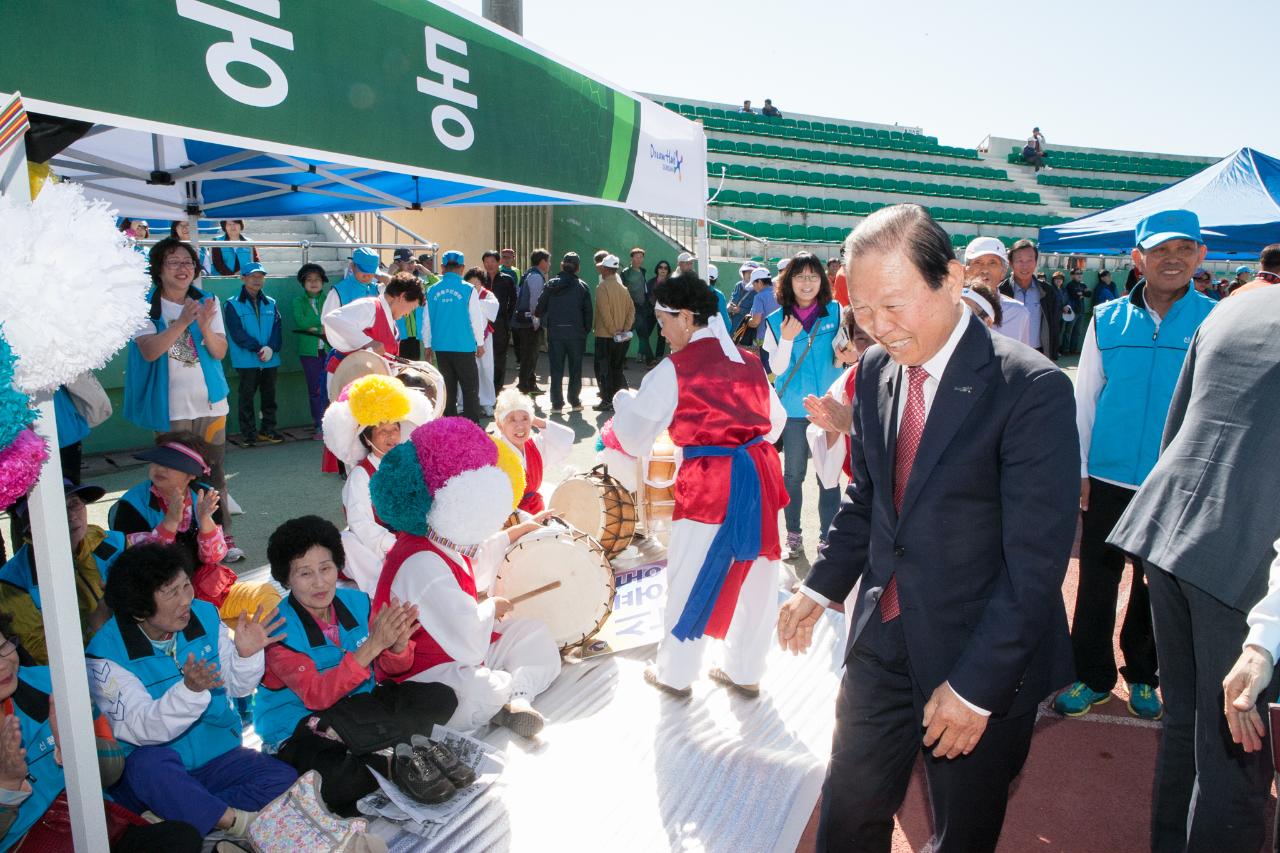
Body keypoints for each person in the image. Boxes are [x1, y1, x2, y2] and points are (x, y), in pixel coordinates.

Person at [777, 204, 1077, 853]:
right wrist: (820, 585)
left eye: (893, 304)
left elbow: (1034, 564)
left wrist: (974, 689)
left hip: (980, 654)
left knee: (960, 832)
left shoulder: (1030, 388)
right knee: (849, 809)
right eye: (861, 309)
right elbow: (871, 497)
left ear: (950, 277)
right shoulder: (879, 373)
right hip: (883, 641)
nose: (878, 327)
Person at [1107, 285, 1280, 853]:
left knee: (1186, 726)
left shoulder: (1235, 307)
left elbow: (1175, 427)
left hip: (1172, 528)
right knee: (1235, 746)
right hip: (1245, 560)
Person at [1058, 209, 1216, 723]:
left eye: (1183, 250)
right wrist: (1079, 468)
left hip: (1175, 481)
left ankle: (1145, 675)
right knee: (1098, 581)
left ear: (1200, 256)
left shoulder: (1214, 319)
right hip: (1105, 478)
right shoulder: (1106, 319)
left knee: (1156, 585)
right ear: (1138, 258)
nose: (1172, 260)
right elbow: (1085, 400)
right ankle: (1092, 675)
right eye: (1160, 251)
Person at [613, 273, 787, 698]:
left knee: (691, 575)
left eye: (663, 319)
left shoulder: (675, 369)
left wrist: (622, 403)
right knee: (758, 578)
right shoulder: (749, 362)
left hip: (711, 485)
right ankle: (746, 670)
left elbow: (634, 438)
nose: (660, 328)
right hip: (760, 479)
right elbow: (777, 424)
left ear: (687, 318)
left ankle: (676, 673)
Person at [86, 543, 296, 840]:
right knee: (149, 764)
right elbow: (143, 728)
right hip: (156, 774)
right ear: (138, 609)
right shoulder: (104, 656)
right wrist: (189, 691)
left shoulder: (205, 615)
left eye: (186, 585)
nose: (186, 599)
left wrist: (246, 655)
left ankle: (181, 814)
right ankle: (229, 821)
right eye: (172, 593)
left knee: (284, 779)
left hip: (217, 757)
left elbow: (238, 685)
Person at [256, 516, 462, 813]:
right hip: (302, 725)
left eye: (326, 568)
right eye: (304, 573)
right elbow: (317, 696)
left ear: (337, 565)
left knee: (440, 697)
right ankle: (393, 757)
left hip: (357, 707)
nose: (319, 582)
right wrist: (372, 645)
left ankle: (384, 752)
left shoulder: (357, 602)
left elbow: (390, 670)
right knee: (335, 783)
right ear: (286, 579)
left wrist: (398, 646)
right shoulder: (277, 630)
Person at [369, 417, 562, 736]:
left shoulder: (436, 534)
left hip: (460, 649)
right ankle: (502, 699)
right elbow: (470, 644)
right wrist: (491, 608)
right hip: (425, 675)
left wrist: (512, 534)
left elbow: (475, 563)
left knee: (534, 633)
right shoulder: (420, 562)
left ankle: (516, 699)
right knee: (479, 691)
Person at [0, 614, 205, 853]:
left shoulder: (52, 683)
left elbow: (111, 772)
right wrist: (7, 784)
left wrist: (74, 748)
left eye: (4, 646)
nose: (3, 663)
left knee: (182, 838)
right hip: (27, 843)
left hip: (94, 825)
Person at [123, 237, 240, 562]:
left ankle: (219, 536)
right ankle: (174, 535)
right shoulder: (143, 306)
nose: (182, 268)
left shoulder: (208, 301)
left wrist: (203, 324)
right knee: (172, 477)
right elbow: (150, 351)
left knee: (213, 474)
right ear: (159, 270)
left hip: (211, 404)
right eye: (173, 262)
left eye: (188, 261)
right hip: (170, 409)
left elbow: (219, 351)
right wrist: (183, 322)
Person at [760, 253, 843, 559]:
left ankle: (828, 539)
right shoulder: (775, 320)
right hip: (795, 411)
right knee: (794, 476)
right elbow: (778, 369)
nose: (806, 283)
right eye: (799, 277)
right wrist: (786, 338)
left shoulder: (835, 311)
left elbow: (842, 353)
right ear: (788, 281)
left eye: (813, 276)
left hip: (829, 410)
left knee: (829, 476)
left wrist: (846, 355)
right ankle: (793, 536)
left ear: (822, 279)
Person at [322, 374, 434, 594]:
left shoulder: (409, 466)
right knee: (346, 541)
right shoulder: (360, 475)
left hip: (411, 541)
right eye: (383, 431)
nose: (391, 436)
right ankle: (384, 589)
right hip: (378, 549)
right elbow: (360, 523)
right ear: (367, 438)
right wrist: (392, 545)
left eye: (394, 429)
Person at [0, 480, 123, 664]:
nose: (72, 515)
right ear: (32, 525)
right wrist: (94, 625)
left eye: (74, 503)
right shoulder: (13, 584)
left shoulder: (115, 544)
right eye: (57, 509)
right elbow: (43, 656)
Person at [109, 432, 241, 601]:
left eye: (172, 464)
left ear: (192, 474)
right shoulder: (131, 505)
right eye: (158, 460)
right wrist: (169, 524)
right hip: (154, 592)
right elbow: (141, 564)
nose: (160, 468)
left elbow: (213, 558)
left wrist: (206, 521)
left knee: (262, 596)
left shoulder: (206, 497)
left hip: (201, 587)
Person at [804, 310, 876, 491]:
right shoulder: (849, 380)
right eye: (861, 339)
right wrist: (834, 428)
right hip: (864, 492)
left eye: (879, 337)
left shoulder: (920, 374)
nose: (874, 347)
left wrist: (852, 427)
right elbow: (828, 476)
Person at [324, 272, 426, 397]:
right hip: (349, 382)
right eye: (411, 308)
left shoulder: (391, 320)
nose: (407, 314)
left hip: (371, 387)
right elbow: (332, 319)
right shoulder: (370, 306)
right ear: (402, 297)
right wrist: (367, 342)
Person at [222, 261, 283, 447]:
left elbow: (277, 329)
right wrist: (258, 348)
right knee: (246, 397)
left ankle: (268, 430)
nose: (257, 280)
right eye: (252, 276)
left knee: (269, 397)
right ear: (243, 278)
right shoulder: (232, 304)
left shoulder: (271, 303)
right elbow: (237, 333)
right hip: (246, 360)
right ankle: (248, 434)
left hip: (270, 360)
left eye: (260, 276)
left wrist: (271, 348)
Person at [423, 251, 486, 423]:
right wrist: (480, 343)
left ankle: (449, 426)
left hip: (441, 348)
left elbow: (426, 321)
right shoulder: (468, 290)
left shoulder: (431, 290)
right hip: (464, 346)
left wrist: (427, 345)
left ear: (442, 268)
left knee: (447, 389)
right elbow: (476, 320)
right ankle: (472, 425)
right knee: (470, 389)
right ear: (462, 268)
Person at [491, 388, 574, 514]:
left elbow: (567, 437)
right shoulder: (493, 452)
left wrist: (534, 419)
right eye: (512, 420)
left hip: (536, 511)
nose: (520, 426)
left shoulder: (535, 445)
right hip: (506, 518)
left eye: (525, 419)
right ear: (499, 425)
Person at [535, 252, 593, 414]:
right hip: (576, 335)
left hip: (555, 334)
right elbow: (588, 313)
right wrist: (584, 330)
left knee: (556, 369)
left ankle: (556, 403)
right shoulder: (582, 287)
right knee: (575, 369)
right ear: (578, 268)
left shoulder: (551, 285)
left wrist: (548, 321)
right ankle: (574, 401)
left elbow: (539, 308)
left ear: (562, 265)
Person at [1000, 239, 1061, 359]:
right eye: (1020, 261)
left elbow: (1053, 325)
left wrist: (1052, 354)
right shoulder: (1001, 290)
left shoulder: (1047, 291)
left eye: (1029, 260)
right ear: (1011, 263)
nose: (1025, 266)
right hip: (1008, 354)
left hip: (1038, 353)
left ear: (1036, 262)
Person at [963, 237, 1030, 345]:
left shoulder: (1019, 313)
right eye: (978, 262)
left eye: (992, 263)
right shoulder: (952, 309)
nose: (984, 269)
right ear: (966, 269)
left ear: (1003, 272)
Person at [592, 254, 635, 413]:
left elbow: (604, 312)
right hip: (621, 337)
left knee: (604, 369)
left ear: (605, 268)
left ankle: (607, 400)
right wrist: (625, 328)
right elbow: (632, 310)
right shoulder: (623, 288)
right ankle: (619, 400)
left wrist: (613, 330)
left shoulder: (602, 287)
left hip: (605, 336)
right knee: (616, 368)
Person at [292, 263, 330, 437]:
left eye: (317, 279)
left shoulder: (329, 298)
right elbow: (301, 322)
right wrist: (320, 325)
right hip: (309, 352)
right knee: (315, 389)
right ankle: (319, 424)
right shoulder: (297, 301)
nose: (314, 283)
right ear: (303, 282)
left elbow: (332, 320)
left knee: (331, 387)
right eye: (309, 280)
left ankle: (333, 423)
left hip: (330, 350)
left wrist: (317, 327)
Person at [461, 266, 502, 417]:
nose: (474, 286)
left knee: (486, 369)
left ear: (481, 283)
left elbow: (493, 309)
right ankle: (463, 402)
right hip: (466, 339)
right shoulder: (463, 294)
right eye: (471, 283)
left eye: (477, 283)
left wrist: (475, 303)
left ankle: (487, 402)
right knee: (466, 371)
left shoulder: (487, 295)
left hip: (484, 338)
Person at [511, 249, 550, 394]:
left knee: (529, 355)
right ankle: (523, 387)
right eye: (548, 261)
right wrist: (536, 322)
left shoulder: (529, 274)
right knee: (529, 356)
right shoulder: (536, 277)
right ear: (542, 262)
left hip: (524, 322)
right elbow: (535, 302)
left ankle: (530, 384)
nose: (549, 264)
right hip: (529, 324)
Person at [482, 250, 517, 395]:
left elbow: (513, 301)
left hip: (500, 323)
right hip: (482, 323)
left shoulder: (507, 279)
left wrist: (508, 320)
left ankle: (496, 389)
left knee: (499, 356)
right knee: (483, 356)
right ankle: (484, 389)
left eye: (492, 261)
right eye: (486, 262)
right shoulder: (480, 279)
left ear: (499, 262)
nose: (489, 265)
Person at [321, 247, 381, 319]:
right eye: (363, 270)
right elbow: (326, 321)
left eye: (370, 271)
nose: (367, 276)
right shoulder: (338, 292)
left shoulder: (377, 289)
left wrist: (381, 275)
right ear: (352, 266)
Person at [637, 259, 671, 366]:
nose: (663, 270)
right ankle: (642, 354)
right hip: (650, 312)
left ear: (668, 271)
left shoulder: (671, 284)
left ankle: (658, 357)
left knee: (662, 336)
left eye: (665, 268)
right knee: (645, 334)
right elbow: (645, 297)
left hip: (664, 313)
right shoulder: (650, 282)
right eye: (661, 267)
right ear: (657, 269)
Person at [745, 267, 778, 371]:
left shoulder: (759, 297)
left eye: (754, 284)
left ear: (759, 281)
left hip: (765, 339)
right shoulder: (781, 293)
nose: (754, 287)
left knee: (768, 367)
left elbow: (755, 322)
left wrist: (747, 321)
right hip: (783, 337)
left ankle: (771, 387)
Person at [620, 248, 648, 354]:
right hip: (631, 308)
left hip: (641, 308)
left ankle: (649, 360)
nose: (639, 259)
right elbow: (623, 290)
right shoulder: (626, 273)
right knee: (627, 335)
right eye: (637, 257)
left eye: (641, 257)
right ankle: (621, 360)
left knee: (643, 335)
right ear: (632, 258)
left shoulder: (643, 271)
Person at [1062, 268, 1090, 354]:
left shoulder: (1083, 284)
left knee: (1077, 332)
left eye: (1081, 273)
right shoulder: (1070, 285)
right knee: (1068, 331)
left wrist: (1081, 293)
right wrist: (1082, 293)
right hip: (1072, 311)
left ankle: (1073, 350)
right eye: (1077, 273)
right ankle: (1065, 350)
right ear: (1072, 275)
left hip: (1081, 311)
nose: (1080, 275)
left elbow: (1089, 294)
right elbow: (1074, 295)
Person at [728, 262, 758, 337]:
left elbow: (757, 313)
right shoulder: (738, 285)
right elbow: (732, 300)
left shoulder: (757, 289)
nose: (750, 275)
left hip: (745, 328)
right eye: (748, 272)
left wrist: (740, 310)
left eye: (752, 272)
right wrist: (728, 306)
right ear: (743, 273)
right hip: (731, 325)